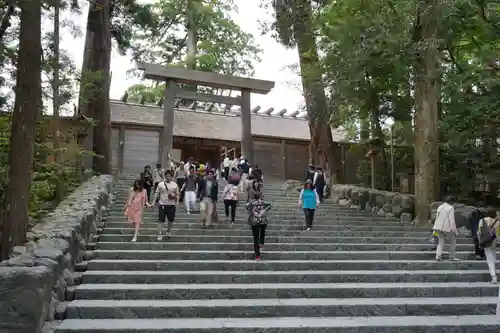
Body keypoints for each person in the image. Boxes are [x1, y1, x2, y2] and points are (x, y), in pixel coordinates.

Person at [153, 170, 179, 240]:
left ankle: (168, 231)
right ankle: (159, 233)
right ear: (165, 176)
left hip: (171, 205)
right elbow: (156, 193)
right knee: (161, 220)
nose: (168, 178)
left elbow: (177, 194)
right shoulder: (160, 184)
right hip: (162, 205)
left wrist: (177, 203)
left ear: (172, 176)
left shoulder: (175, 185)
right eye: (167, 176)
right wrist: (153, 202)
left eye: (170, 176)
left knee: (171, 220)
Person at [246, 191, 272, 261]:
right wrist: (264, 210)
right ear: (260, 196)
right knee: (262, 232)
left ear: (253, 196)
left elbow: (247, 206)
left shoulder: (251, 203)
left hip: (255, 222)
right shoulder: (263, 202)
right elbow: (270, 205)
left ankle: (257, 256)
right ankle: (262, 243)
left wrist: (253, 210)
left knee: (255, 238)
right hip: (263, 221)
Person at [477, 207, 500, 283]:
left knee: (490, 259)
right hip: (494, 242)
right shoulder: (497, 222)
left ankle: (494, 277)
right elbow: (498, 234)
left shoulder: (482, 220)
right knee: (493, 257)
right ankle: (494, 273)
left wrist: (480, 241)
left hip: (486, 242)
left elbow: (479, 232)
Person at [433, 196, 459, 261]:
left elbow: (437, 218)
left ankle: (438, 256)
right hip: (446, 227)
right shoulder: (450, 207)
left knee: (441, 242)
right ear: (452, 202)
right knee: (453, 242)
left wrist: (435, 229)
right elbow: (451, 220)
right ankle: (452, 257)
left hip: (438, 227)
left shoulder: (440, 207)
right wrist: (455, 231)